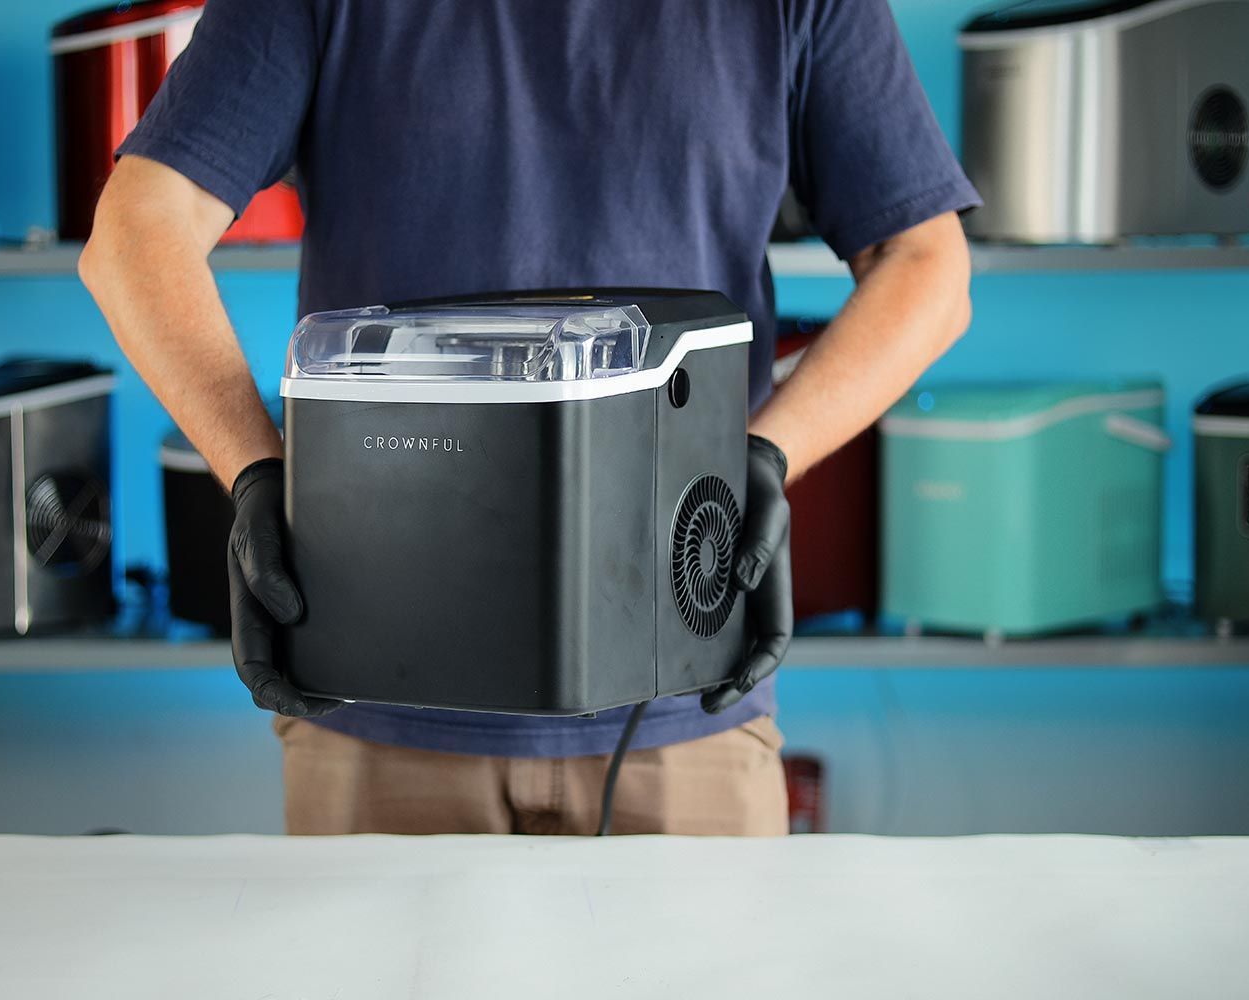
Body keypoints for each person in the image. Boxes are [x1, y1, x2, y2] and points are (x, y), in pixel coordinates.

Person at [80, 0, 977, 837]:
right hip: (378, 698)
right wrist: (256, 472)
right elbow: (136, 227)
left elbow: (926, 262)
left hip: (682, 687)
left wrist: (769, 455)